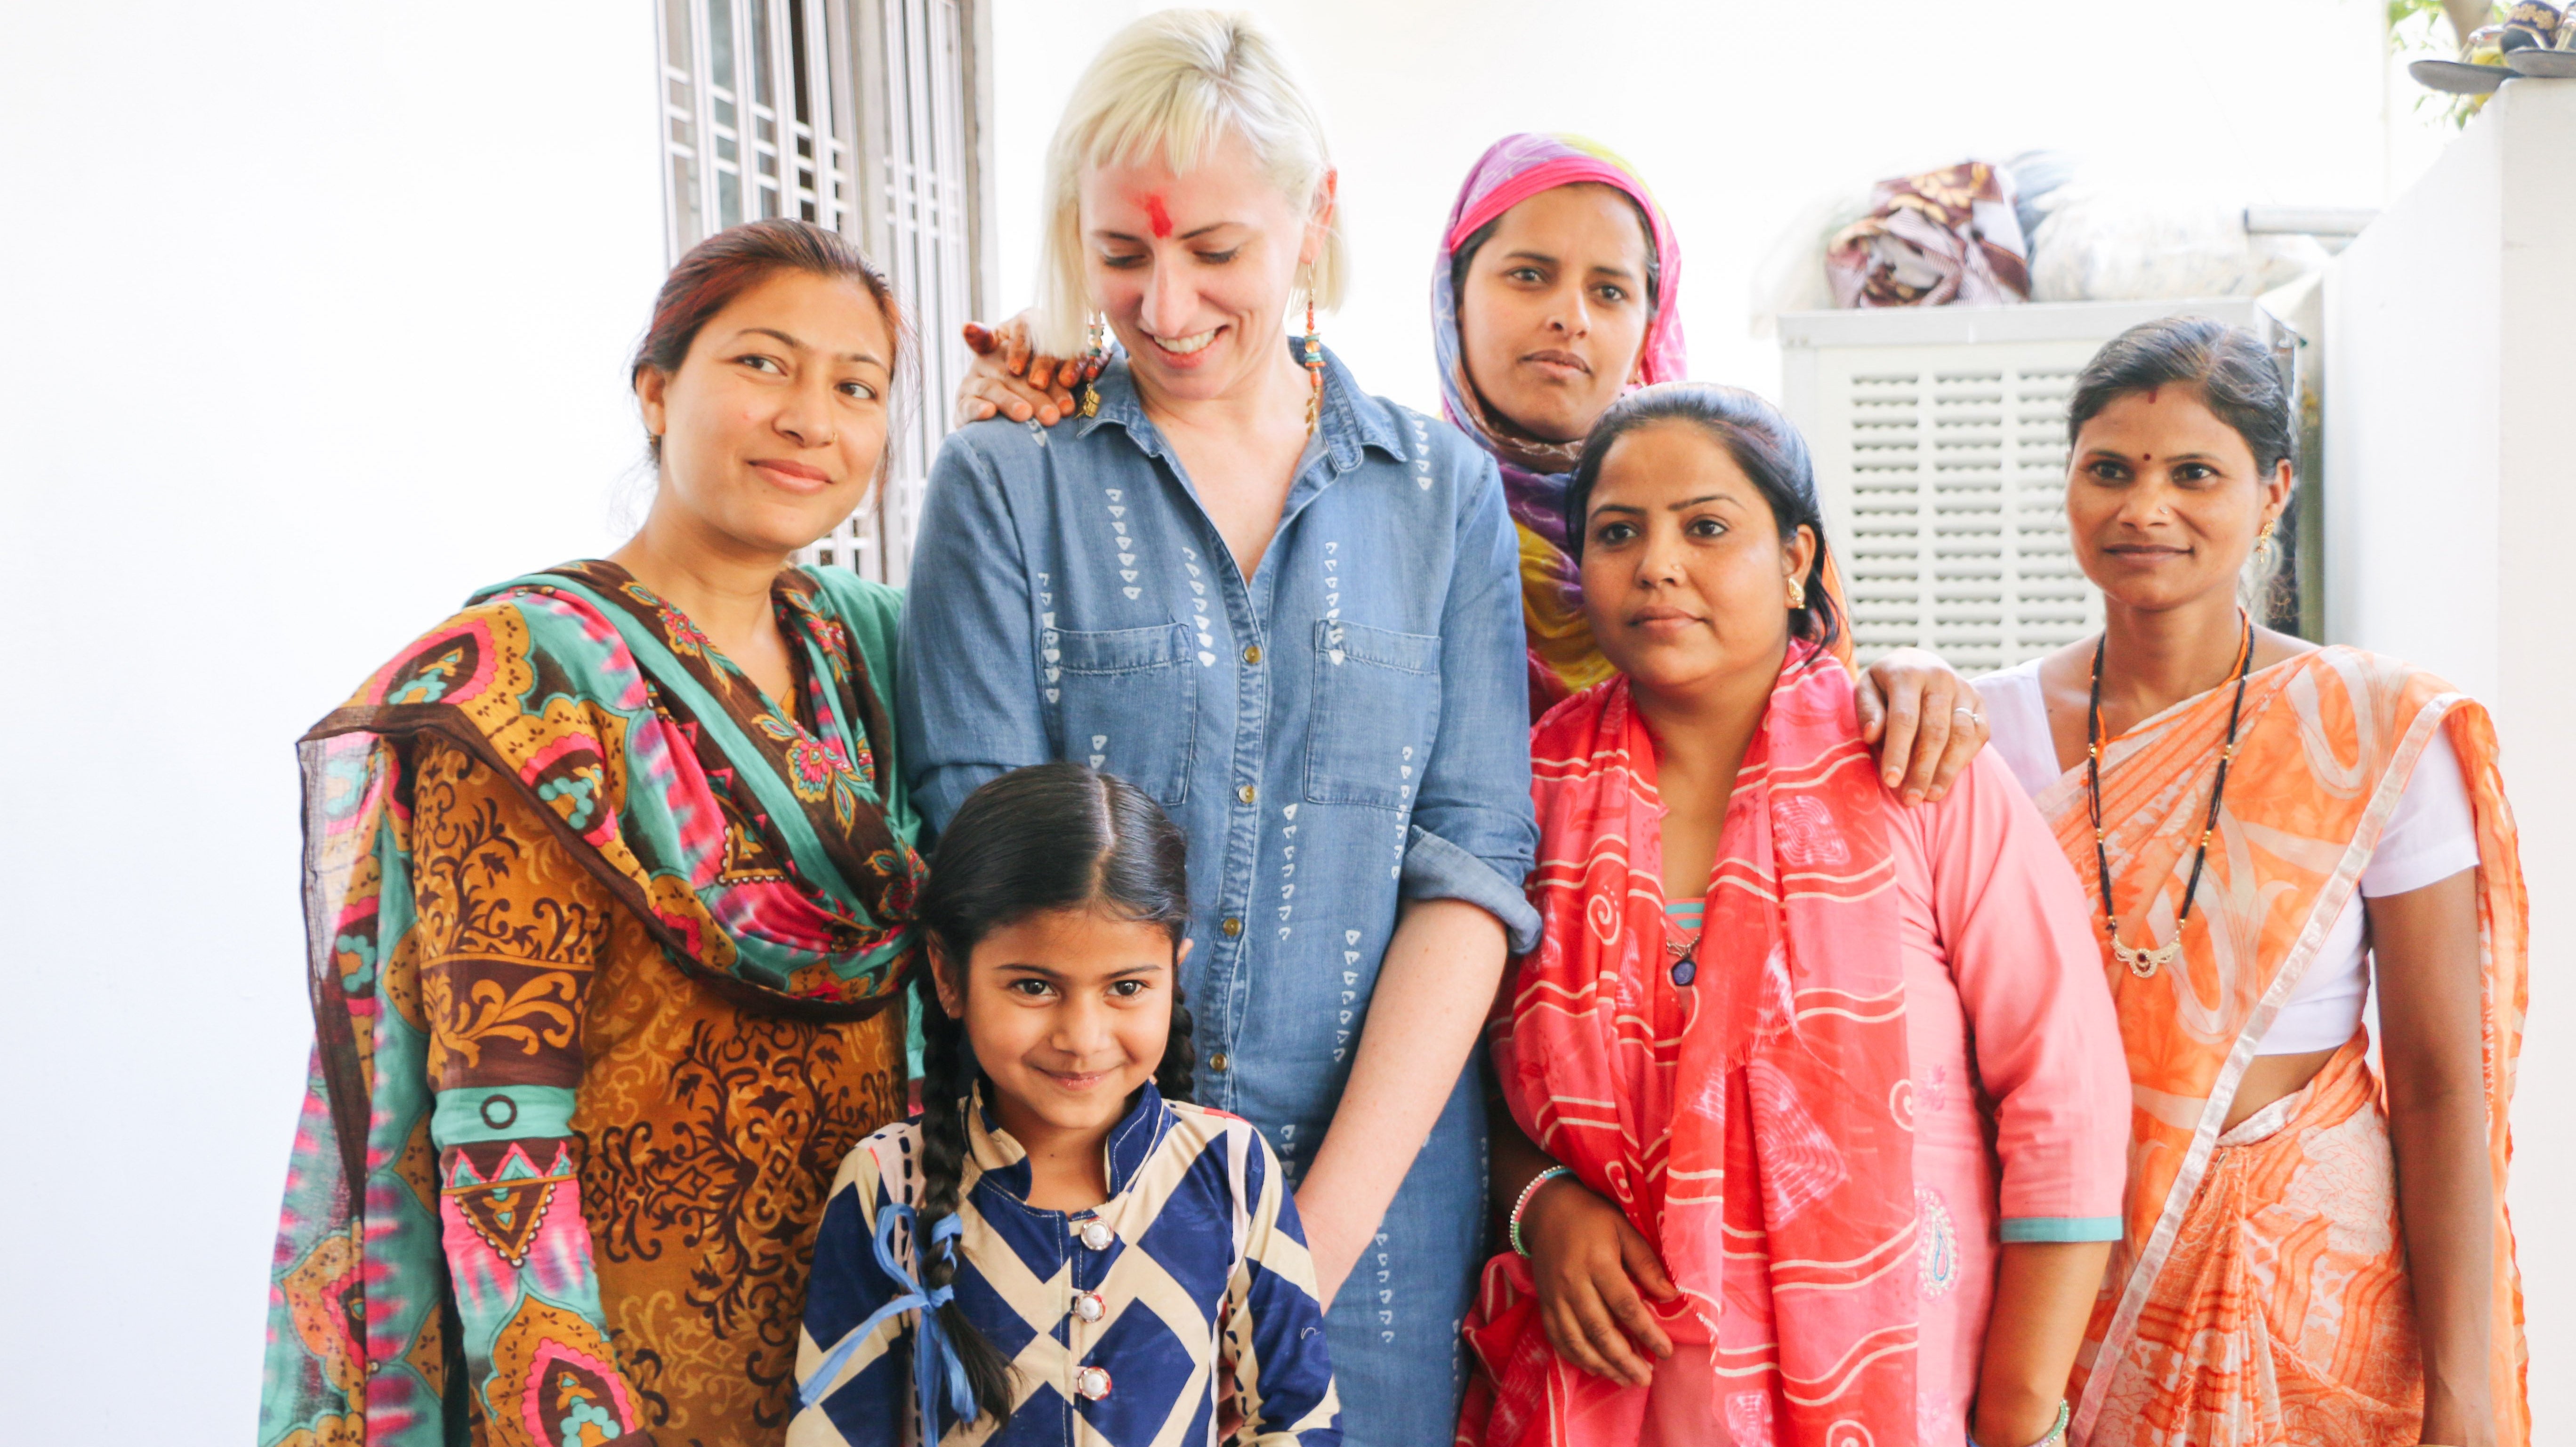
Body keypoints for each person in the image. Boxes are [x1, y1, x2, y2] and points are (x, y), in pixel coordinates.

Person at [895, 14, 1534, 1443]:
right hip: (1060, 1222)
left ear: (1315, 220)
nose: (1167, 306)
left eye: (1214, 253)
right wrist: (1149, 1243)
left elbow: (1474, 862)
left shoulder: (1443, 498)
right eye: (1122, 257)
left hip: (1372, 1236)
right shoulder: (1009, 483)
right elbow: (992, 864)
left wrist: (1295, 1247)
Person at [259, 219, 929, 1447]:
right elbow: (497, 1116)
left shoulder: (887, 660)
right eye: (764, 364)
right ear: (658, 390)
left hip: (874, 1347)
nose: (809, 418)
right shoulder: (527, 685)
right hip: (618, 1357)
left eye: (858, 386)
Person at [1461, 384, 2130, 1447]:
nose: (1659, 564)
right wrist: (1540, 1201)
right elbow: (1459, 1084)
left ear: (1796, 558)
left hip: (1899, 1397)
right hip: (1606, 1400)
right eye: (1618, 532)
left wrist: (2015, 1417)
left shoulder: (1920, 771)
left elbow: (2065, 1095)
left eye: (1708, 527)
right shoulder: (1523, 795)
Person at [955, 132, 1991, 806]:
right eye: (1528, 274)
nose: (1566, 317)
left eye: (1611, 290)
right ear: (1456, 293)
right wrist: (1050, 384)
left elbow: (1826, 708)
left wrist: (1912, 677)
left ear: (1651, 318)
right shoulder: (1392, 496)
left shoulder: (1735, 493)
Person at [1972, 317, 2530, 1446]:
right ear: (2069, 482)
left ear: (2272, 494)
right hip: (2061, 1279)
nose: (2145, 508)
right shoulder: (1982, 735)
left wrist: (2466, 1405)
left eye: (2194, 474)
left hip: (2311, 1277)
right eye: (2110, 470)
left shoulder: (2373, 731)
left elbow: (2437, 1082)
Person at [792, 764, 1340, 1444]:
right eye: (1033, 985)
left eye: (1128, 987)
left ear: (1176, 970)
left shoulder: (1231, 1167)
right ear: (948, 974)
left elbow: (1301, 1417)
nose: (1082, 1038)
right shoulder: (887, 1182)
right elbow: (835, 1431)